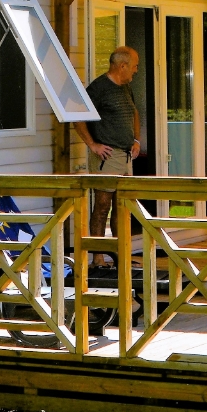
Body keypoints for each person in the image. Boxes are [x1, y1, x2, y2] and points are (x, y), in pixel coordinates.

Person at [76, 46, 141, 267]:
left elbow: (134, 113)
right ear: (122, 66)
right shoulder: (98, 89)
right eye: (133, 67)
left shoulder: (126, 88)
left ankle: (121, 256)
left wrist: (137, 140)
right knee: (102, 205)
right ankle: (98, 258)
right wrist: (92, 145)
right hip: (107, 156)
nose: (136, 71)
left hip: (125, 155)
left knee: (123, 208)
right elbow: (78, 117)